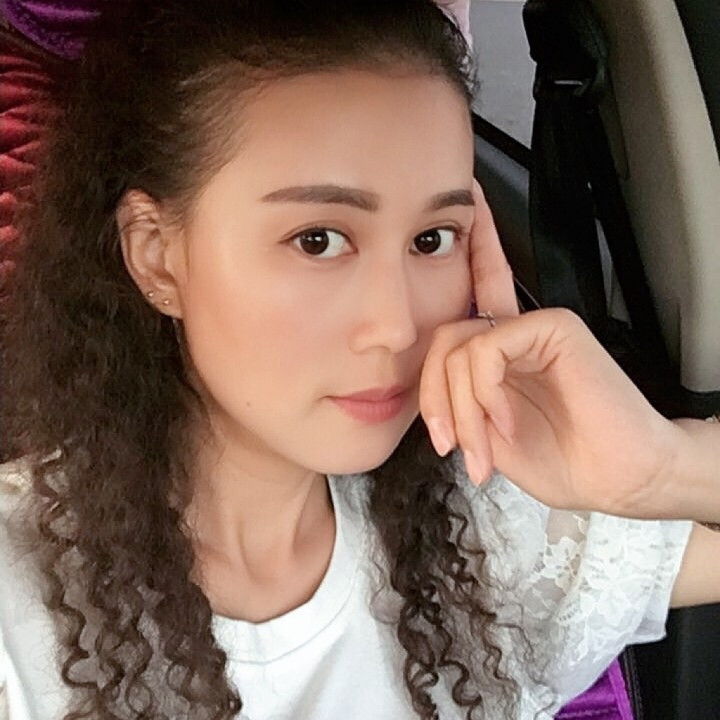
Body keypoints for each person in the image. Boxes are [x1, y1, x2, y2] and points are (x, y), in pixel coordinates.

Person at [0, 1, 718, 719]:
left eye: (433, 240)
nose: (397, 327)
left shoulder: (481, 534)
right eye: (318, 240)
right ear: (157, 254)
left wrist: (666, 468)